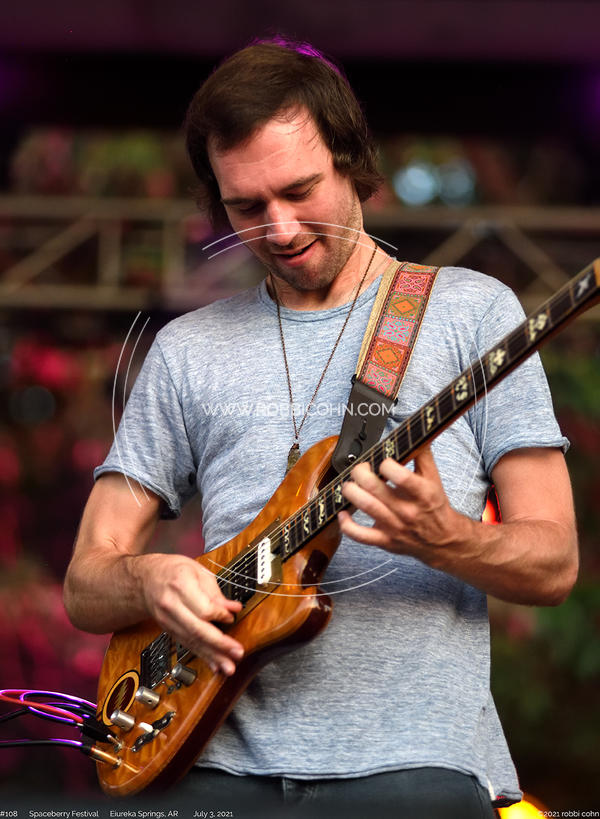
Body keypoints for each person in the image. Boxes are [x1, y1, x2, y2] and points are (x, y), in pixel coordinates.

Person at [63, 38, 578, 819]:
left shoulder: (472, 313)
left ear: (352, 162)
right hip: (214, 768)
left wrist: (446, 537)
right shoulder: (187, 350)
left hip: (414, 769)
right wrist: (151, 578)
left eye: (300, 190)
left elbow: (555, 562)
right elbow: (85, 582)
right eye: (247, 207)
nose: (279, 227)